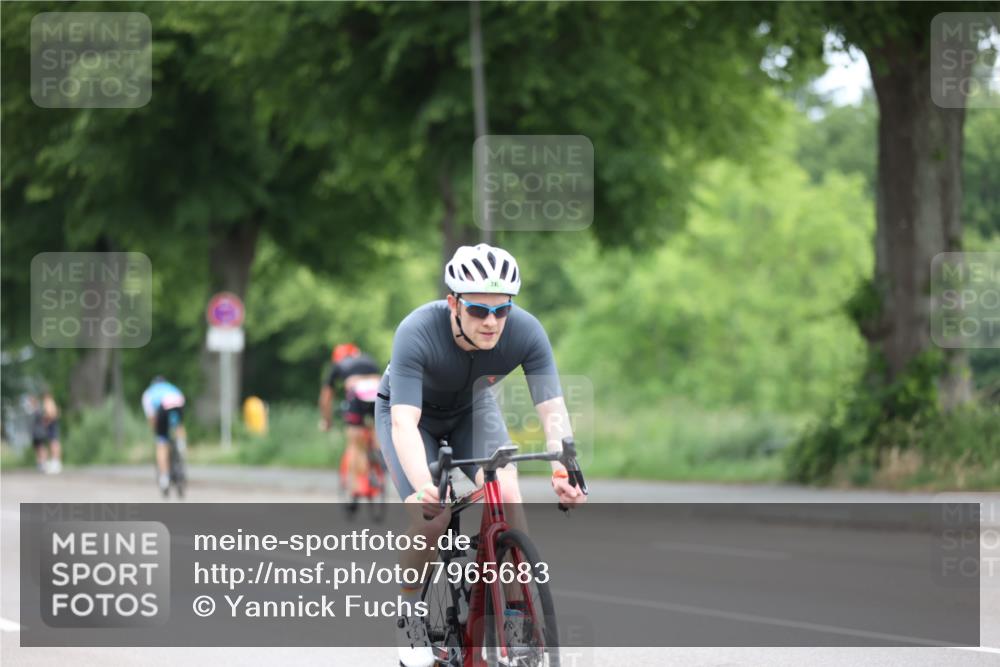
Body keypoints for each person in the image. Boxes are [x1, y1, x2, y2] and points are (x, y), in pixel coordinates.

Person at [375, 243, 587, 667]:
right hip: (410, 418)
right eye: (477, 310)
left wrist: (565, 465)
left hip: (472, 409)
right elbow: (403, 423)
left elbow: (552, 410)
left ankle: (516, 622)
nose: (491, 322)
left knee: (508, 488)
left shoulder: (526, 331)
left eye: (501, 311)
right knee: (432, 517)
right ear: (453, 302)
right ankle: (410, 609)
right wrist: (423, 489)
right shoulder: (416, 330)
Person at [319, 343, 382, 507]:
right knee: (376, 428)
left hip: (357, 395)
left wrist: (327, 421)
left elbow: (326, 398)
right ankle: (379, 453)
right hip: (378, 392)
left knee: (355, 443)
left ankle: (355, 488)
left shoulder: (338, 365)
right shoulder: (369, 360)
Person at [141, 376, 187, 495]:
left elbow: (152, 418)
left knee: (161, 443)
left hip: (162, 408)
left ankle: (164, 479)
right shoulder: (171, 387)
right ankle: (181, 443)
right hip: (178, 403)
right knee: (178, 425)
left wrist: (157, 432)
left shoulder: (148, 393)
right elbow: (181, 399)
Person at [30, 391, 62, 474]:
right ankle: (54, 461)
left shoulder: (49, 402)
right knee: (53, 443)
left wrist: (45, 422)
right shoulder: (49, 402)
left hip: (52, 426)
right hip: (52, 426)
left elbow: (51, 415)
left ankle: (55, 462)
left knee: (54, 443)